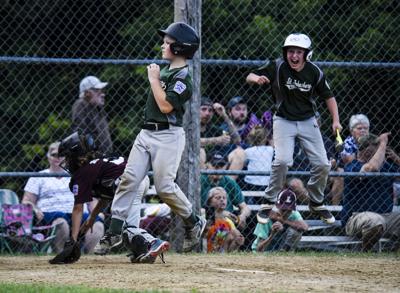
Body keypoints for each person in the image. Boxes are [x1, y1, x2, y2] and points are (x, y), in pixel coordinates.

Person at [96, 22, 206, 254]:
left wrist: (154, 80)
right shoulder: (165, 70)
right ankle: (115, 230)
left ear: (180, 48)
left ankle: (193, 221)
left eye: (168, 43)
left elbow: (166, 106)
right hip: (146, 133)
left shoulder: (183, 77)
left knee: (164, 187)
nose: (162, 45)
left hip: (168, 135)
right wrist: (157, 77)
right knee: (129, 179)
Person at [246, 33, 342, 225]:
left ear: (307, 54)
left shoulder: (314, 72)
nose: (294, 56)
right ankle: (268, 201)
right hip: (283, 120)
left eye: (299, 52)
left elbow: (328, 96)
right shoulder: (278, 65)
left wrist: (335, 121)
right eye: (291, 51)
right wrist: (257, 79)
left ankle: (316, 201)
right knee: (282, 161)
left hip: (308, 120)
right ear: (285, 53)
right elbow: (250, 75)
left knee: (323, 164)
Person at [57, 132, 168, 263]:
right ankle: (141, 250)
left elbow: (78, 208)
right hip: (139, 181)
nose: (67, 162)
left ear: (79, 158)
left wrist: (73, 239)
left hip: (127, 183)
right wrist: (92, 218)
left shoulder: (83, 173)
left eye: (69, 158)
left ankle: (153, 242)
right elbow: (107, 195)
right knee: (128, 227)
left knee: (127, 228)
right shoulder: (99, 163)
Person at [22, 141, 104, 254]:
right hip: (51, 214)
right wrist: (35, 209)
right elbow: (26, 201)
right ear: (48, 157)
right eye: (54, 154)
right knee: (61, 222)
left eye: (61, 155)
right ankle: (61, 255)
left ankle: (92, 259)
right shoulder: (38, 177)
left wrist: (97, 212)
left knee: (97, 224)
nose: (58, 157)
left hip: (80, 214)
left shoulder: (79, 175)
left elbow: (92, 199)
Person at [340, 133, 400, 251]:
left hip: (386, 216)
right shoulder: (353, 166)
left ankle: (396, 253)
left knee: (379, 220)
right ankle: (365, 252)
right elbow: (371, 168)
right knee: (375, 221)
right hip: (357, 216)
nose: (381, 154)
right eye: (378, 151)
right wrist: (383, 144)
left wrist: (397, 159)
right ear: (367, 151)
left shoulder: (386, 166)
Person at [201, 152, 251, 230]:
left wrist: (242, 216)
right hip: (206, 220)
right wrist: (221, 214)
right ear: (207, 165)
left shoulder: (229, 182)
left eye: (221, 166)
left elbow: (245, 207)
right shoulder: (200, 180)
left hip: (227, 222)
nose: (218, 169)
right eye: (214, 165)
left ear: (226, 166)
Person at [200, 96, 245, 180]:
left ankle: (227, 187)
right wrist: (216, 140)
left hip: (220, 163)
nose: (207, 113)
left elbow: (238, 140)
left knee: (240, 152)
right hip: (202, 167)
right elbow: (190, 142)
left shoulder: (214, 129)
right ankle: (204, 185)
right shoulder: (190, 128)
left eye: (210, 110)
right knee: (200, 151)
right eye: (204, 109)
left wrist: (225, 116)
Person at [252, 188, 308, 252]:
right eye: (283, 210)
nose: (286, 213)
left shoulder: (294, 213)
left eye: (289, 210)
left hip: (278, 251)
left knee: (296, 232)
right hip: (263, 253)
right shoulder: (266, 217)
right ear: (277, 205)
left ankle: (284, 253)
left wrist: (281, 220)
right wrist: (273, 234)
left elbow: (305, 227)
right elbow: (258, 250)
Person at [72, 75, 113, 154]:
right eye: (97, 90)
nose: (103, 94)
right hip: (92, 156)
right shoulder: (81, 104)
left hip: (104, 156)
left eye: (102, 91)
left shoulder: (98, 108)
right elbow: (80, 132)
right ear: (87, 93)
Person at [205, 187, 245, 253]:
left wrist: (238, 239)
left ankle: (226, 255)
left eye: (224, 198)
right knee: (227, 229)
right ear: (210, 201)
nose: (222, 200)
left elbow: (236, 232)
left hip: (224, 249)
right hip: (208, 248)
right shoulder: (204, 214)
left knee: (235, 233)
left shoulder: (228, 220)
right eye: (218, 198)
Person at [242, 125, 274, 194]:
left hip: (250, 183)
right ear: (265, 139)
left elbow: (243, 163)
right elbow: (273, 143)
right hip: (266, 183)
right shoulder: (270, 149)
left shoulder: (248, 151)